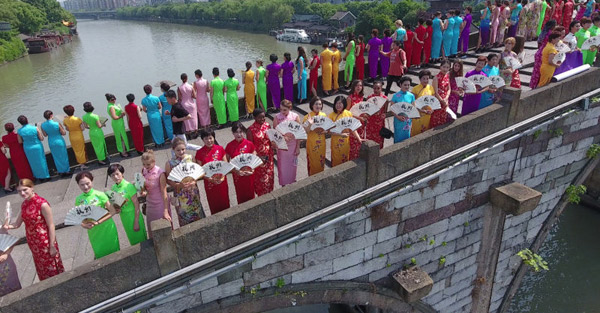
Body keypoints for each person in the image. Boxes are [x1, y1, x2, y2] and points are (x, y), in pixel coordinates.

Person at [4, 179, 64, 280]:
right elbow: (17, 224)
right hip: (33, 242)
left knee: (51, 266)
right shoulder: (24, 204)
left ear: (32, 188)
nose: (22, 193)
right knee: (41, 267)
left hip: (45, 241)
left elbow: (51, 225)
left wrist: (52, 246)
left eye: (25, 190)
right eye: (19, 191)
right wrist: (7, 226)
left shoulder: (42, 204)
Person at [74, 171, 119, 259]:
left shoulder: (100, 195)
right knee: (99, 253)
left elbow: (112, 211)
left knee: (114, 252)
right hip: (93, 231)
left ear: (92, 181)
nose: (85, 187)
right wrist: (83, 225)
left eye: (87, 183)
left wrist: (98, 222)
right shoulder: (78, 199)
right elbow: (78, 216)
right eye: (82, 185)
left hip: (107, 228)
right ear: (78, 185)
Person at [165, 138, 204, 225]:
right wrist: (178, 185)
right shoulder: (170, 163)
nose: (181, 152)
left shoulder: (191, 158)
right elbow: (168, 180)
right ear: (173, 150)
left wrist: (194, 181)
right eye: (178, 150)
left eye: (183, 149)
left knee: (197, 211)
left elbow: (198, 172)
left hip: (192, 190)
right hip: (180, 193)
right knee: (184, 215)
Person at [107, 164, 147, 245]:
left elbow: (136, 204)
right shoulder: (114, 188)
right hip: (124, 217)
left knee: (141, 241)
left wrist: (136, 221)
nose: (115, 177)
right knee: (132, 239)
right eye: (112, 175)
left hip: (133, 215)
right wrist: (117, 209)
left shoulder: (128, 186)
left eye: (117, 174)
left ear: (122, 173)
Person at [195, 129, 230, 215]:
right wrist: (210, 179)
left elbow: (226, 165)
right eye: (206, 139)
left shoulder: (220, 149)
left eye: (210, 138)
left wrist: (222, 177)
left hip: (222, 181)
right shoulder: (199, 153)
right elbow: (200, 171)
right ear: (202, 140)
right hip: (209, 183)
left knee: (225, 202)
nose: (209, 141)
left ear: (214, 138)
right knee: (214, 204)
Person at [140, 150, 171, 237]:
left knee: (162, 229)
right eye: (144, 164)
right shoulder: (144, 170)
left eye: (148, 164)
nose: (146, 167)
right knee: (151, 227)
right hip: (150, 203)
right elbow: (143, 185)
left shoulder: (160, 173)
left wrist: (165, 210)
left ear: (154, 161)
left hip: (160, 203)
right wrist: (143, 191)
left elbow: (164, 192)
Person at [225, 122, 256, 204]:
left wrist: (252, 169)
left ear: (244, 132)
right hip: (238, 175)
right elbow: (226, 163)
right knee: (240, 195)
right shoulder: (229, 146)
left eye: (241, 132)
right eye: (236, 132)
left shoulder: (249, 144)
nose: (239, 134)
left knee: (251, 194)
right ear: (233, 133)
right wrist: (236, 171)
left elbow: (254, 160)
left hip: (249, 174)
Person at [246, 108, 274, 196]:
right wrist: (258, 158)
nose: (262, 119)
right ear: (254, 118)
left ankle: (271, 196)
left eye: (264, 117)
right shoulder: (250, 130)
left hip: (269, 156)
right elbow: (251, 147)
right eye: (260, 117)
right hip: (259, 159)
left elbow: (271, 140)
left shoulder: (267, 125)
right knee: (261, 181)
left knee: (270, 178)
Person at [273, 100, 300, 187]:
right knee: (282, 165)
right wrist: (282, 137)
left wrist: (298, 147)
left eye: (284, 110)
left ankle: (292, 181)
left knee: (292, 165)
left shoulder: (295, 116)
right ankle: (283, 184)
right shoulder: (277, 117)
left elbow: (299, 133)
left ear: (290, 108)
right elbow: (275, 132)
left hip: (293, 144)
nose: (282, 112)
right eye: (281, 109)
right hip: (282, 145)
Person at [328, 96, 362, 167]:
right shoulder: (331, 116)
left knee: (345, 160)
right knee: (336, 162)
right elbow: (328, 131)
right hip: (336, 142)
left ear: (344, 104)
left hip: (346, 141)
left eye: (340, 103)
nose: (338, 105)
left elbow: (353, 128)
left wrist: (359, 138)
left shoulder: (348, 113)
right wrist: (340, 134)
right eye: (337, 103)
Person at [302, 97, 327, 176]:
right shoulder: (307, 116)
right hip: (312, 144)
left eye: (320, 104)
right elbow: (306, 131)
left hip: (322, 143)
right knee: (312, 163)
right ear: (312, 105)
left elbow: (327, 129)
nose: (318, 106)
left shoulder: (324, 115)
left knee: (321, 162)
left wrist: (324, 131)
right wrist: (309, 123)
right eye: (316, 104)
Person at [40, 110, 70, 176]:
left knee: (56, 157)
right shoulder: (57, 123)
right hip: (59, 140)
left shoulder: (42, 125)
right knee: (64, 155)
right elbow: (64, 133)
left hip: (51, 141)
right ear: (51, 115)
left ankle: (60, 171)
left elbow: (45, 135)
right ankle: (67, 170)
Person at [531, 20, 557, 88]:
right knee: (541, 72)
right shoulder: (550, 34)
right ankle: (538, 85)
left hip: (539, 52)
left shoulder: (543, 33)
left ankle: (533, 85)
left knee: (536, 71)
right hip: (545, 53)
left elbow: (539, 43)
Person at [390, 77, 416, 143]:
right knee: (398, 136)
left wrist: (409, 116)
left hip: (407, 120)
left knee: (407, 136)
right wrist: (398, 117)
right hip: (398, 119)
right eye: (405, 85)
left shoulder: (411, 96)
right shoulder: (395, 96)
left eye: (408, 85)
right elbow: (392, 109)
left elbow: (413, 108)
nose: (407, 86)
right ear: (400, 85)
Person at [411, 70, 436, 136]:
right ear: (420, 79)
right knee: (416, 132)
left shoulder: (431, 88)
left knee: (426, 132)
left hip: (428, 114)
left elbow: (433, 101)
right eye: (423, 79)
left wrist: (432, 109)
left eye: (427, 79)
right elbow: (412, 103)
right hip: (418, 114)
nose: (425, 80)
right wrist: (422, 110)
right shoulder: (415, 89)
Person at [105, 93, 130, 157]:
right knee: (120, 137)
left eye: (114, 98)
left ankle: (124, 150)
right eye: (112, 99)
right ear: (108, 100)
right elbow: (114, 117)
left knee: (122, 136)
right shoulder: (111, 107)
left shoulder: (112, 105)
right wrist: (121, 115)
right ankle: (122, 152)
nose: (114, 100)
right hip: (117, 123)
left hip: (119, 122)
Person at [366, 82, 388, 149]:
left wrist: (384, 115)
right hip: (371, 121)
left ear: (381, 89)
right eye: (374, 88)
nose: (376, 90)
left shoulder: (385, 99)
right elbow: (367, 110)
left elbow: (385, 111)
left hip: (380, 122)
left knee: (379, 138)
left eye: (378, 88)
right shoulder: (369, 98)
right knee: (369, 138)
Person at [430, 60, 451, 128]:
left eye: (447, 67)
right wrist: (442, 100)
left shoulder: (447, 76)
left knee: (443, 118)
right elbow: (435, 92)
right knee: (436, 119)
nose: (445, 69)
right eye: (444, 67)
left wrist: (446, 98)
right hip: (438, 101)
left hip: (445, 101)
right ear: (440, 67)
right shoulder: (436, 78)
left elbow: (449, 89)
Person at [0, 226, 21, 296]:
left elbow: (10, 241)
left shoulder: (0, 229)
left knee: (14, 288)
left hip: (6, 265)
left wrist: (6, 254)